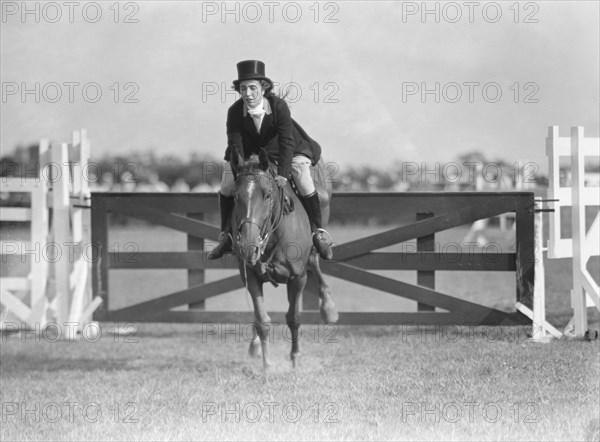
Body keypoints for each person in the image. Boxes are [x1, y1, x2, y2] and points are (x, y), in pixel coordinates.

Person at [208, 60, 335, 261]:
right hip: (252, 155)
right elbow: (235, 145)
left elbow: (286, 142)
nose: (247, 93)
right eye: (243, 88)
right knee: (226, 185)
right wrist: (239, 170)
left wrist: (283, 174)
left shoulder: (278, 106)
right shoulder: (234, 111)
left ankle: (318, 234)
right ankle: (226, 236)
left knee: (303, 179)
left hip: (289, 151)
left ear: (263, 87)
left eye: (252, 88)